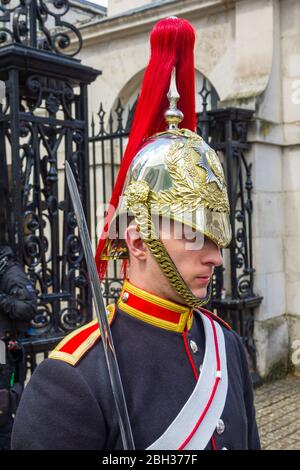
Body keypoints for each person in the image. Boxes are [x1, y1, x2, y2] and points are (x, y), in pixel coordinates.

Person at [11, 17, 260, 450]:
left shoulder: (228, 347)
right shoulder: (73, 379)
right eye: (196, 235)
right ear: (139, 241)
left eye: (216, 238)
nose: (216, 257)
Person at [0, 244, 37, 450]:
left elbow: (29, 307)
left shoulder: (11, 272)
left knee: (3, 409)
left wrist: (2, 299)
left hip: (4, 349)